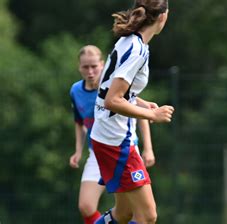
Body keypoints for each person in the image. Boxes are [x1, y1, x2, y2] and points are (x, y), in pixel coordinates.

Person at [90, 0, 173, 223]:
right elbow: (112, 100)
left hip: (106, 136)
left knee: (124, 214)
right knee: (147, 216)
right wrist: (153, 115)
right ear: (163, 17)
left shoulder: (129, 42)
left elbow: (111, 88)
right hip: (116, 141)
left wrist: (141, 103)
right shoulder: (137, 50)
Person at [69, 45, 157, 224]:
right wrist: (78, 150)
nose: (91, 71)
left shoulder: (112, 85)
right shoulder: (76, 91)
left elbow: (139, 111)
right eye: (86, 67)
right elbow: (79, 122)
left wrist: (148, 148)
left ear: (103, 65)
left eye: (94, 66)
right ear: (79, 67)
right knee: (87, 206)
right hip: (99, 153)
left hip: (124, 149)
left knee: (133, 214)